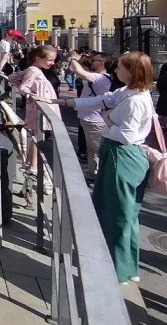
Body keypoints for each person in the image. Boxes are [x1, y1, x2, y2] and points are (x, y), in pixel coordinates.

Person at [51, 52, 155, 284]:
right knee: (119, 211)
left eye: (120, 67)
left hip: (123, 155)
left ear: (132, 71)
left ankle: (118, 269)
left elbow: (126, 134)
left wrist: (107, 119)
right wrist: (63, 102)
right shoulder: (128, 92)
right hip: (117, 154)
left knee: (119, 213)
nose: (116, 70)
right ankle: (124, 266)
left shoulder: (136, 100)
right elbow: (102, 100)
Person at [7, 45, 61, 176]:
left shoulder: (34, 70)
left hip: (38, 108)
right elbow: (24, 87)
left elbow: (13, 77)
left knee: (35, 136)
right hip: (37, 109)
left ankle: (30, 163)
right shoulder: (34, 70)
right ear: (38, 58)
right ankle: (33, 165)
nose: (52, 63)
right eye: (49, 60)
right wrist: (31, 94)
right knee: (36, 136)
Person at [66, 50, 112, 182]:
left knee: (96, 151)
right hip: (89, 119)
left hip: (95, 121)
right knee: (92, 150)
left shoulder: (101, 78)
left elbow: (79, 72)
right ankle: (93, 173)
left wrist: (73, 58)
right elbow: (74, 70)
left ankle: (99, 177)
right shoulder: (96, 76)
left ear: (102, 63)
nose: (91, 61)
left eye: (94, 60)